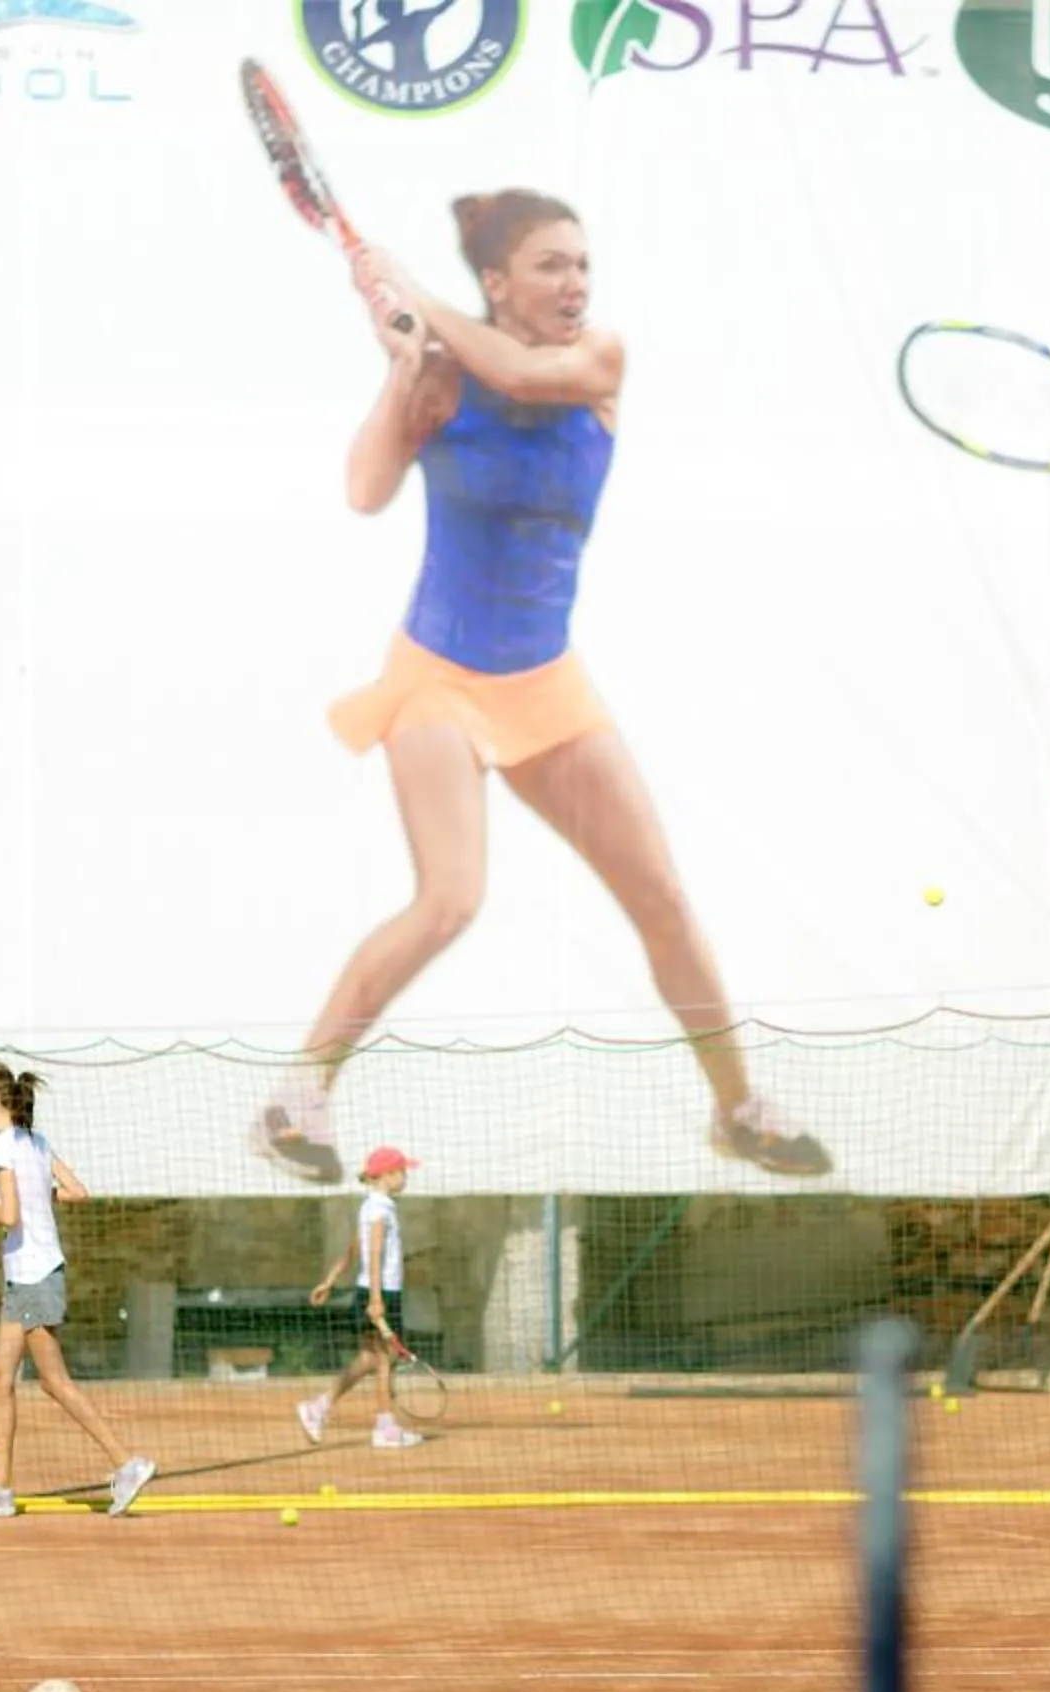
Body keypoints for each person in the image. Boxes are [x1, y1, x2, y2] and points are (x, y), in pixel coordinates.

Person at [249, 186, 829, 1187]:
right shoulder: (440, 370)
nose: (575, 283)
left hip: (546, 682)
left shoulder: (596, 359)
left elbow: (513, 366)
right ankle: (297, 1099)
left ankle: (737, 1106)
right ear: (499, 279)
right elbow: (364, 489)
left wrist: (416, 302)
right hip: (434, 673)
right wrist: (405, 380)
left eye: (582, 264)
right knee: (450, 899)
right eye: (552, 265)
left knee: (662, 896)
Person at [0, 1062, 154, 1519]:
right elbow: (76, 1191)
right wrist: (40, 1197)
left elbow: (7, 1217)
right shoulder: (35, 1143)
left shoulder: (4, 1148)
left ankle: (127, 1462)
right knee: (0, 1380)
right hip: (34, 1273)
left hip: (32, 1274)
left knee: (53, 1381)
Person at [300, 1145, 427, 1450]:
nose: (406, 1177)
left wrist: (329, 1280)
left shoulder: (372, 1206)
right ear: (386, 1175)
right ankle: (384, 1427)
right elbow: (372, 1254)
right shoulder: (379, 1210)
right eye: (402, 1171)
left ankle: (319, 1407)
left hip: (377, 1291)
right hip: (380, 1292)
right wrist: (375, 1299)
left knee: (373, 1358)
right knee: (384, 1360)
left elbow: (353, 1250)